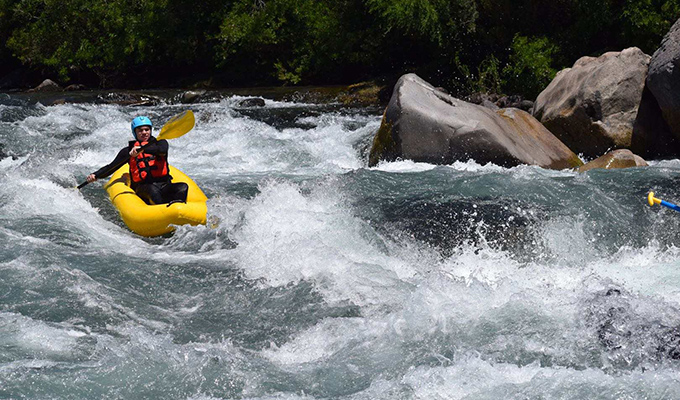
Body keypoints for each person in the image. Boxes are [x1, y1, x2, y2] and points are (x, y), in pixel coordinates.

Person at [86, 116, 188, 205]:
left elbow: (162, 151)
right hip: (143, 187)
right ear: (135, 132)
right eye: (140, 130)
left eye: (147, 129)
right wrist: (96, 175)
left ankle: (178, 209)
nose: (144, 133)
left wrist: (142, 149)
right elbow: (111, 167)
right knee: (153, 191)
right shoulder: (128, 151)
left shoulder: (161, 143)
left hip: (164, 184)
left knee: (183, 187)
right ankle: (164, 212)